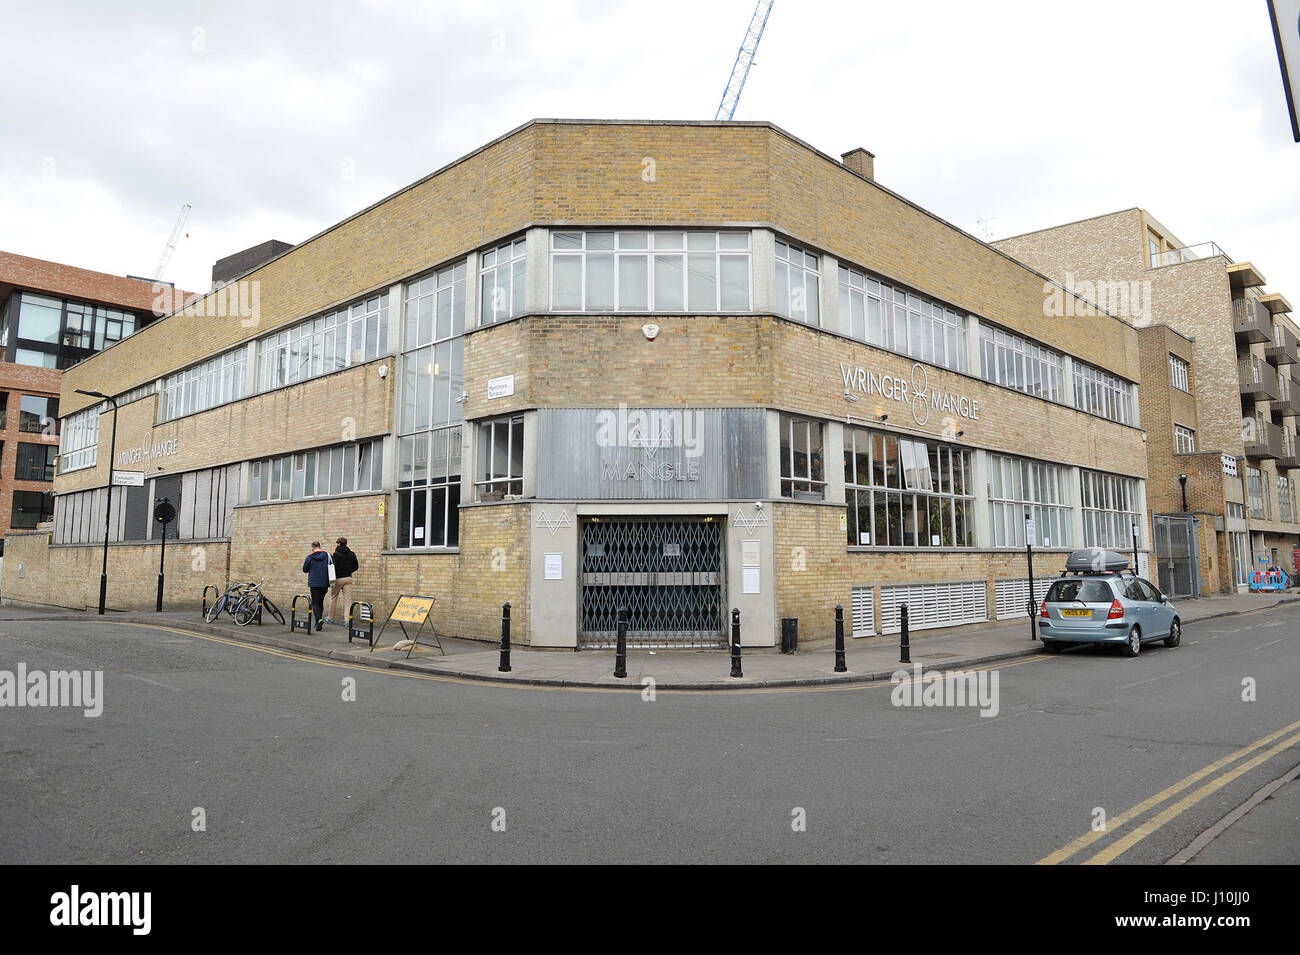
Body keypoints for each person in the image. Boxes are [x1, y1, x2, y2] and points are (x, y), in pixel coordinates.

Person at [326, 537, 359, 625]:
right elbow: (356, 566)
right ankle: (347, 620)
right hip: (348, 578)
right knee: (348, 600)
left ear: (339, 544)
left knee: (334, 597)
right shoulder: (352, 554)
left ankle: (330, 618)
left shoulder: (336, 554)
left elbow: (334, 568)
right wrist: (348, 571)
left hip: (338, 579)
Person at [302, 542, 332, 631]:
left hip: (314, 583)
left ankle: (319, 620)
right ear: (319, 546)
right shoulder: (327, 555)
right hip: (324, 582)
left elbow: (305, 570)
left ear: (313, 547)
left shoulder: (310, 557)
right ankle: (318, 621)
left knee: (315, 603)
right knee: (320, 602)